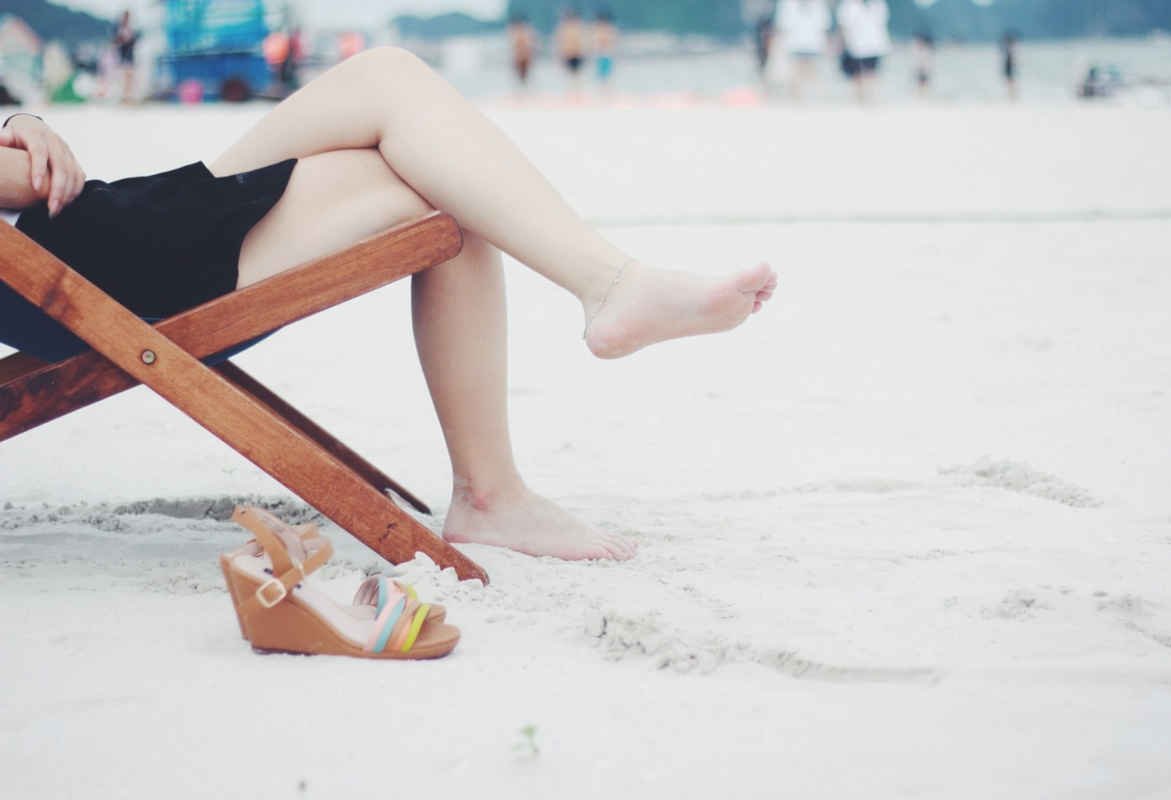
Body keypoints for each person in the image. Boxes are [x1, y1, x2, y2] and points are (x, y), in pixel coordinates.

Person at [0, 50, 778, 563]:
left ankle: (588, 327)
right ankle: (504, 473)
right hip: (86, 269)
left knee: (396, 94)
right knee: (437, 170)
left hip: (97, 241)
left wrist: (21, 122)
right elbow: (29, 184)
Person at [773, 0, 830, 99]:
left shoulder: (819, 4)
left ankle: (814, 98)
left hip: (814, 44)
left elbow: (824, 26)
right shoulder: (787, 4)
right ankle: (797, 100)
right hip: (794, 44)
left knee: (812, 72)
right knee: (795, 73)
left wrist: (826, 45)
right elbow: (781, 26)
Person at [836, 0, 889, 103]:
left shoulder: (878, 4)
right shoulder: (848, 5)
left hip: (875, 45)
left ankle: (870, 99)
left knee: (871, 74)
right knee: (857, 76)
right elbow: (843, 26)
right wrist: (841, 43)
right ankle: (859, 100)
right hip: (856, 46)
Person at [112, 10, 139, 104]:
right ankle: (123, 97)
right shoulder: (119, 28)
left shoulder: (131, 29)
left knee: (130, 78)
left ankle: (128, 97)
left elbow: (134, 41)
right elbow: (115, 42)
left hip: (129, 56)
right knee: (122, 78)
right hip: (122, 56)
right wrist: (122, 39)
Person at [556, 8, 587, 90]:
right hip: (569, 54)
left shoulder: (579, 28)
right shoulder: (564, 28)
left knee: (576, 76)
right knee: (569, 76)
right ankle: (571, 92)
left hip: (576, 53)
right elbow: (561, 43)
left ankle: (576, 92)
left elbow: (583, 42)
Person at [508, 14, 537, 87]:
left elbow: (530, 43)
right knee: (521, 75)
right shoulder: (515, 31)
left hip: (524, 56)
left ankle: (524, 89)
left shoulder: (523, 31)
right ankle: (523, 88)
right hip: (520, 56)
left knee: (524, 75)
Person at [593, 9, 618, 86]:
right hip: (600, 54)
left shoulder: (610, 29)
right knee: (601, 77)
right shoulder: (598, 29)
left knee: (606, 76)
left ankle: (606, 91)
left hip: (607, 54)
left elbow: (613, 41)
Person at [913, 32, 933, 97]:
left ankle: (922, 95)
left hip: (924, 69)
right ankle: (922, 95)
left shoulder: (926, 50)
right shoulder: (923, 50)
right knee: (921, 83)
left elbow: (926, 61)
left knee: (923, 83)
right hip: (922, 69)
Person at [1002, 31, 1019, 102]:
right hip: (1008, 65)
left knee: (1010, 82)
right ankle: (1012, 96)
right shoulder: (1009, 49)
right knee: (1010, 82)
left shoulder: (1009, 49)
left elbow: (1011, 60)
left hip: (1008, 66)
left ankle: (1012, 96)